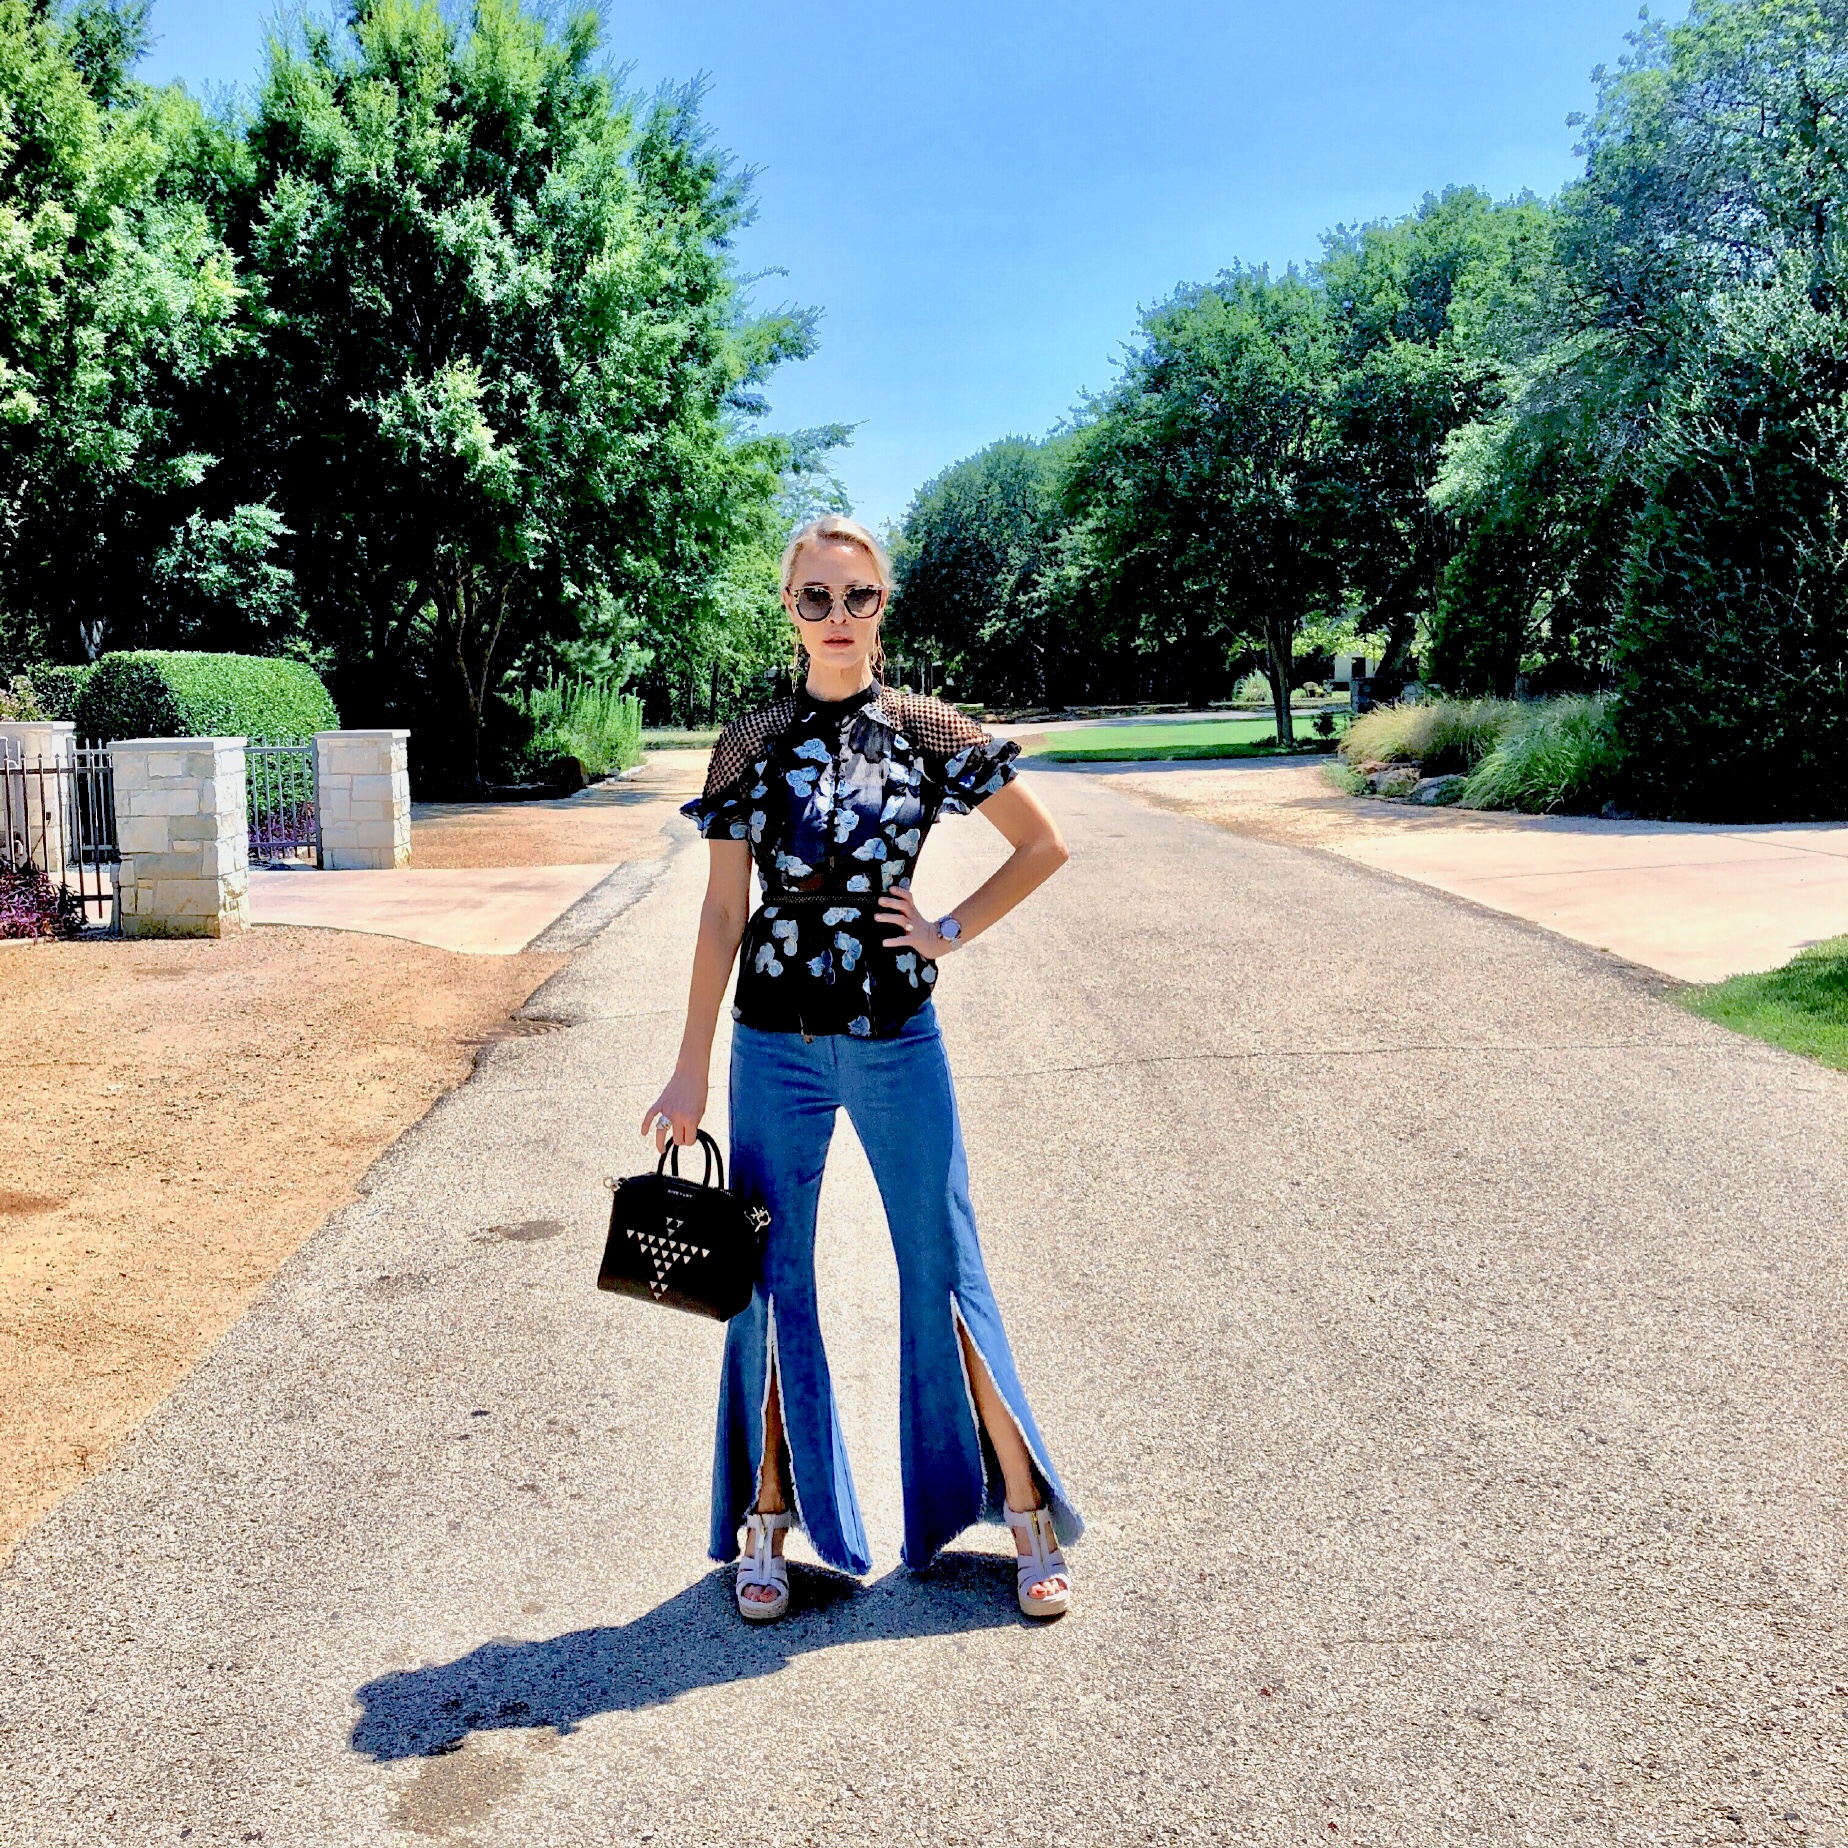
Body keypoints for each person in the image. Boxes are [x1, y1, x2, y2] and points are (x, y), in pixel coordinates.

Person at [642, 514, 1083, 1625]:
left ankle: (1021, 1511)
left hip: (897, 1034)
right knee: (767, 1277)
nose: (838, 619)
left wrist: (947, 927)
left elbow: (1043, 845)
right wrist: (688, 1069)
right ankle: (768, 1521)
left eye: (859, 598)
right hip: (771, 1044)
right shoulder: (747, 743)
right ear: (788, 609)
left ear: (884, 605)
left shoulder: (928, 729)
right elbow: (717, 914)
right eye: (816, 599)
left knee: (945, 1261)